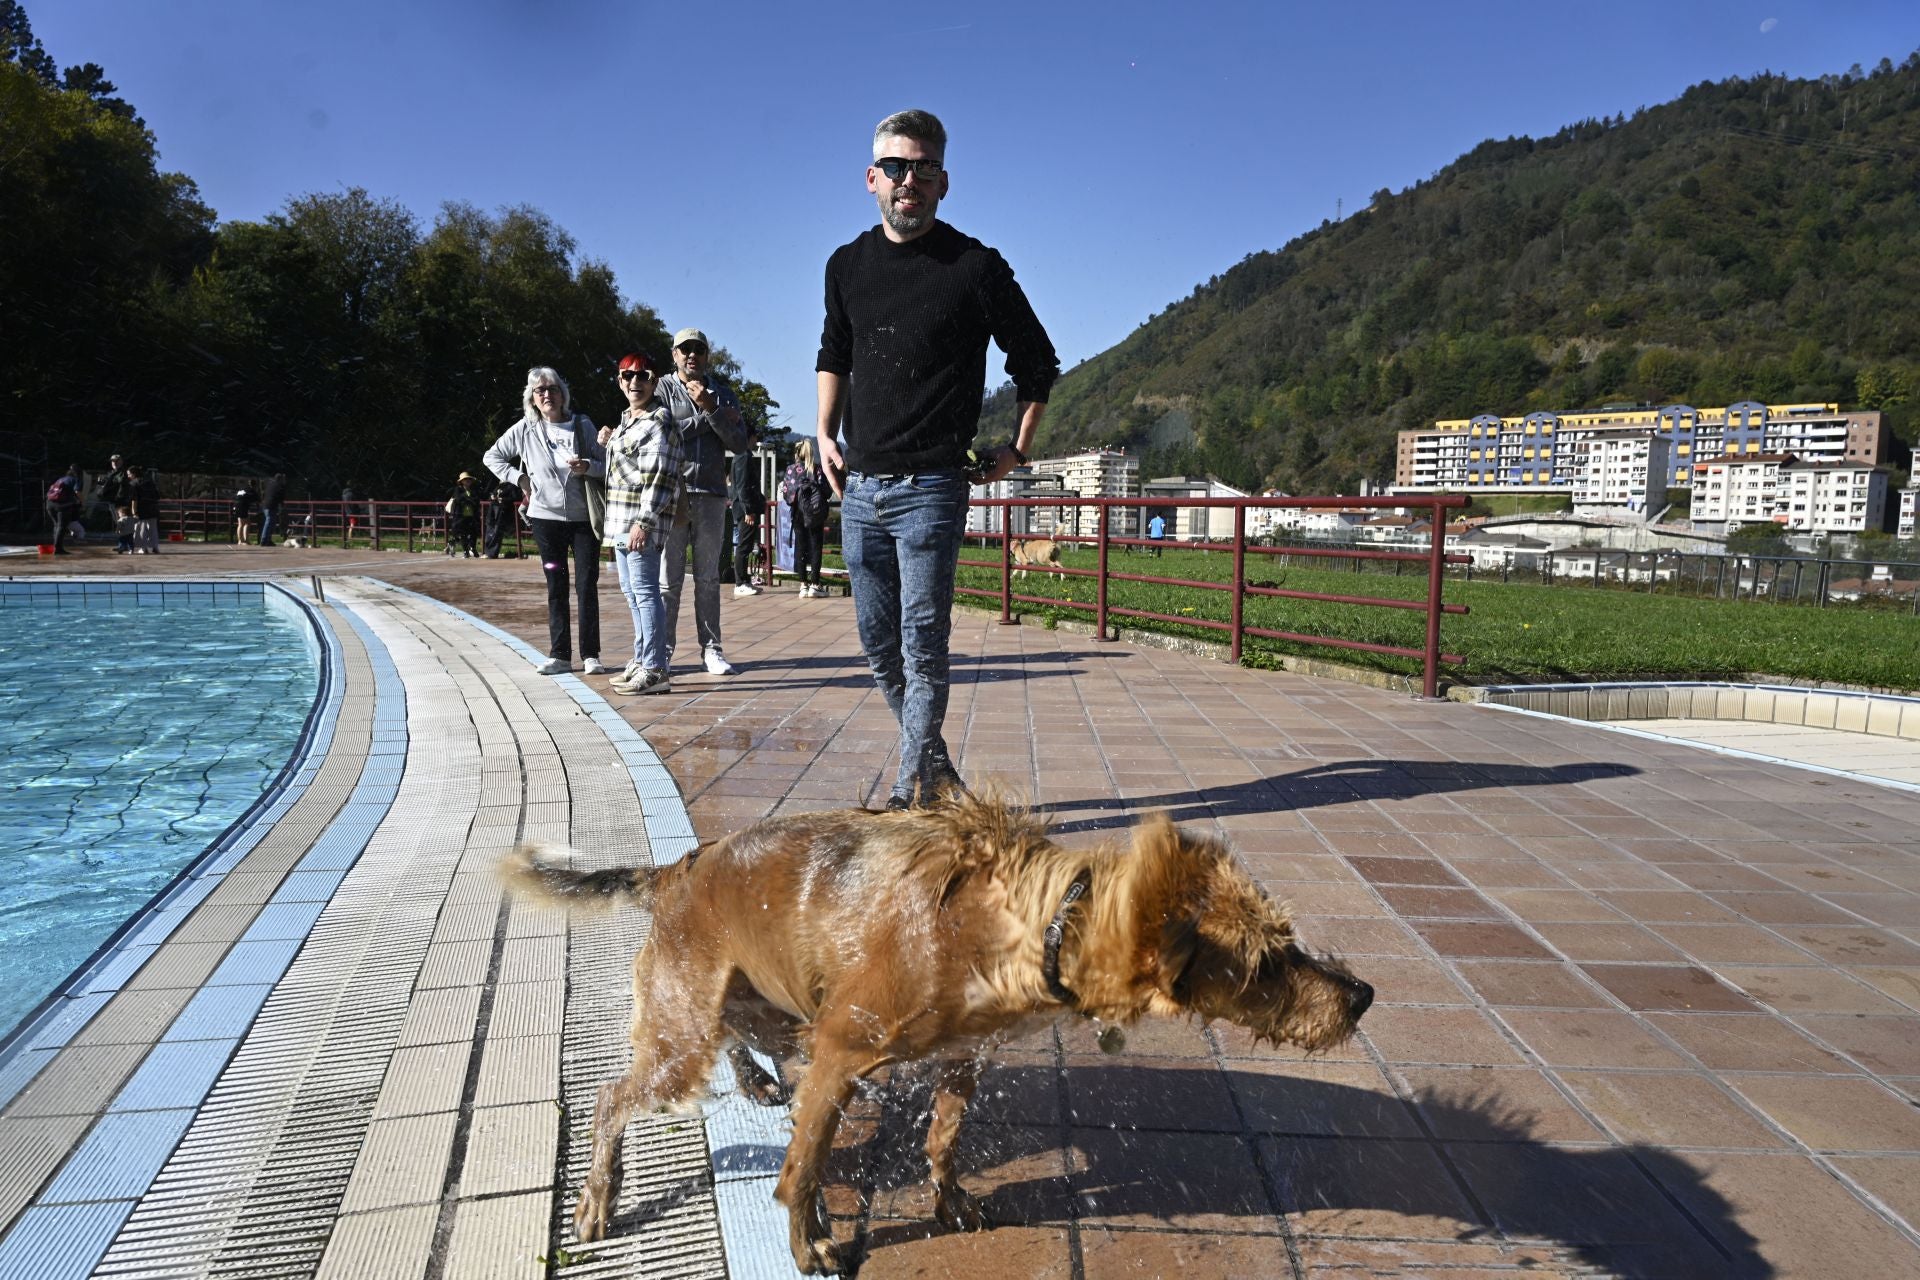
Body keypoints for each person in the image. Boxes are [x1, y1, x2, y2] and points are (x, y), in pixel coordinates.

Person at [816, 108, 1059, 810]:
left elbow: (1037, 361)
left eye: (923, 168)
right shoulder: (845, 266)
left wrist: (1017, 448)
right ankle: (939, 771)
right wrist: (824, 431)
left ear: (944, 181)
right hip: (860, 485)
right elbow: (835, 351)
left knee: (923, 645)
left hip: (933, 486)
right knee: (878, 647)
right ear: (871, 179)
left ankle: (906, 796)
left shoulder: (974, 268)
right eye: (895, 167)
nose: (908, 181)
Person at [483, 367, 608, 676]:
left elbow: (607, 466)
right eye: (540, 391)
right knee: (556, 584)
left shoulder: (583, 425)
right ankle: (560, 656)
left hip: (583, 521)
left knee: (586, 584)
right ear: (532, 399)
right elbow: (492, 456)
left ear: (562, 393)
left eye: (552, 388)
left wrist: (588, 466)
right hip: (545, 522)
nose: (547, 395)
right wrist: (519, 478)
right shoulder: (525, 428)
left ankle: (590, 654)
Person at [656, 327, 752, 675]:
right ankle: (662, 651)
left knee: (709, 578)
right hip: (673, 493)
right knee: (669, 580)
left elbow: (740, 444)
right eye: (685, 350)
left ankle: (711, 649)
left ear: (707, 355)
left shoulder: (724, 393)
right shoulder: (662, 389)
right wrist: (708, 416)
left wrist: (712, 406)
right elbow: (662, 434)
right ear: (675, 355)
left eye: (698, 349)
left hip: (711, 494)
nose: (691, 355)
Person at [599, 353, 685, 696]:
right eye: (626, 375)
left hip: (638, 524)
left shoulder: (658, 421)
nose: (634, 382)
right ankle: (641, 659)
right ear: (619, 380)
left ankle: (655, 669)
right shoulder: (627, 421)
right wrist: (608, 443)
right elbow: (625, 471)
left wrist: (644, 523)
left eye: (642, 375)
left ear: (654, 380)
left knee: (647, 594)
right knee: (633, 594)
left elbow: (661, 478)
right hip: (619, 522)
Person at [781, 438, 833, 597]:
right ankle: (815, 584)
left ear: (797, 453)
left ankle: (803, 585)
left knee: (800, 547)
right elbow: (827, 492)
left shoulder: (790, 470)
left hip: (798, 513)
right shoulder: (816, 470)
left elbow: (785, 493)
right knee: (816, 548)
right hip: (815, 514)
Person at [729, 448, 767, 596]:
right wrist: (748, 510)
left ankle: (745, 581)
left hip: (743, 508)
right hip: (745, 510)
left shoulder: (741, 456)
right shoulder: (743, 456)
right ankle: (740, 583)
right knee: (744, 546)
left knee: (747, 545)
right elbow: (742, 485)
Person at [46, 463, 83, 555]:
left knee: (57, 525)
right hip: (62, 505)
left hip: (49, 504)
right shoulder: (76, 479)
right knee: (61, 526)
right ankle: (58, 549)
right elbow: (77, 491)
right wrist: (82, 502)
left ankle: (56, 547)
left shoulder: (61, 479)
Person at [100, 454, 134, 553]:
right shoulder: (112, 473)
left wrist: (118, 498)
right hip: (113, 501)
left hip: (119, 502)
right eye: (112, 461)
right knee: (119, 524)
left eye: (116, 461)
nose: (114, 463)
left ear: (121, 461)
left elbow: (122, 487)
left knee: (123, 525)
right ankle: (123, 545)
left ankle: (125, 545)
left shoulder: (122, 473)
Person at [485, 473, 522, 558]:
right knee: (490, 530)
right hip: (492, 511)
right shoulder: (498, 486)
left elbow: (515, 498)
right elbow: (489, 497)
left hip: (502, 512)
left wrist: (503, 500)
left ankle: (492, 554)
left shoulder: (511, 486)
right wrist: (492, 497)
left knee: (497, 532)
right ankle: (487, 552)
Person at [445, 472, 482, 558]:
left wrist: (468, 500)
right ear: (462, 481)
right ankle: (465, 551)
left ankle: (472, 548)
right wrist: (469, 500)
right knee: (462, 534)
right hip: (460, 516)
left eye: (469, 479)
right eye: (466, 479)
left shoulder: (474, 490)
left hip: (472, 515)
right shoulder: (458, 489)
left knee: (473, 533)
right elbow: (459, 499)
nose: (468, 481)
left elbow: (476, 500)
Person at [128, 465, 161, 553]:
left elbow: (134, 499)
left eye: (129, 474)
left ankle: (143, 548)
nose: (128, 476)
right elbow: (157, 496)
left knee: (141, 528)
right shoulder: (150, 482)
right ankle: (155, 547)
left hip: (141, 508)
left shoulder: (133, 484)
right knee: (153, 529)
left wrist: (134, 512)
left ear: (134, 474)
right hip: (153, 508)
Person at [259, 472, 287, 545]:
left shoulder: (270, 484)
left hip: (265, 505)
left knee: (271, 523)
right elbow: (281, 498)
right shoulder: (279, 486)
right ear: (280, 479)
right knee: (269, 522)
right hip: (271, 506)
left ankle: (268, 540)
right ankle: (264, 540)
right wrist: (282, 505)